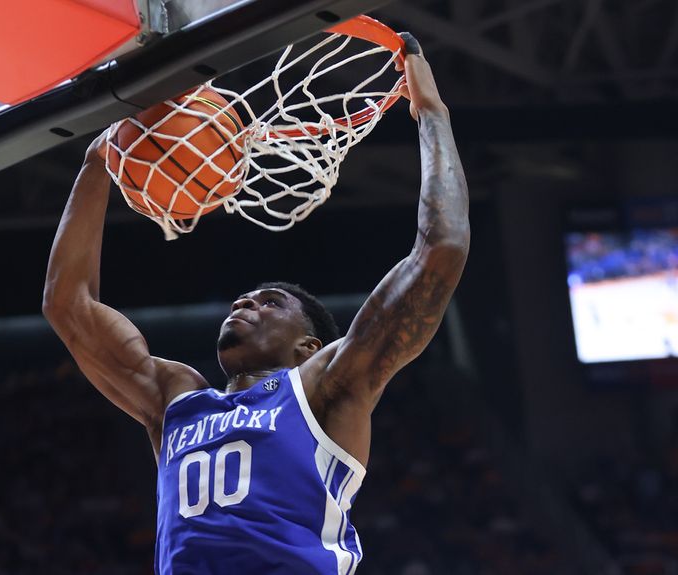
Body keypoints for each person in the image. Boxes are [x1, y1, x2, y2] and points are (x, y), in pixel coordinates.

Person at [43, 32, 469, 575]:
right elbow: (68, 305)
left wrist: (432, 114)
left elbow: (441, 250)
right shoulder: (176, 399)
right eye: (247, 298)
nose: (246, 301)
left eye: (271, 303)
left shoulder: (324, 385)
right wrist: (97, 160)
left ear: (307, 345)